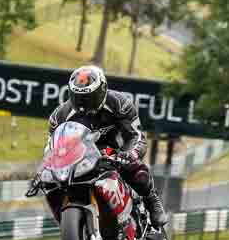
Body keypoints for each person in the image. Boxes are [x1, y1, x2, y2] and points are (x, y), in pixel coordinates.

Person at [27, 65, 168, 228]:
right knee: (53, 186)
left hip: (113, 152)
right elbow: (52, 149)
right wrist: (41, 171)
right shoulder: (59, 116)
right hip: (80, 158)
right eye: (78, 98)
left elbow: (136, 135)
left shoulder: (119, 103)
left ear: (102, 91)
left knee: (134, 164)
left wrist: (130, 153)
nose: (82, 104)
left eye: (88, 98)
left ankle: (152, 200)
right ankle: (77, 232)